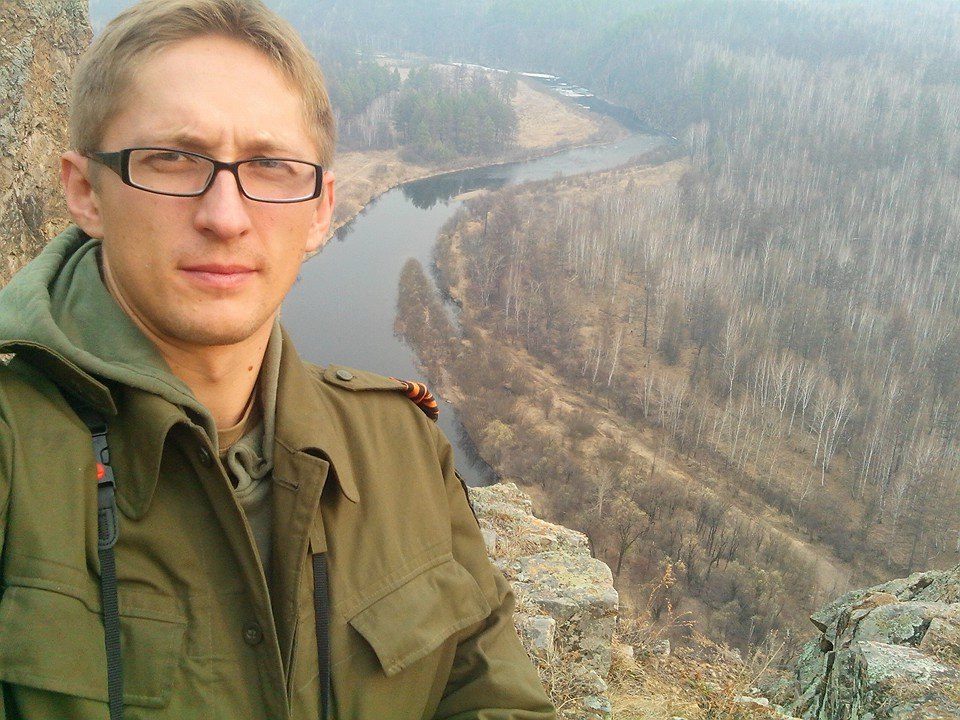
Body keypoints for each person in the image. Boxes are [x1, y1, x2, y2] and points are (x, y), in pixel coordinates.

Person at [0, 1, 556, 718]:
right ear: (86, 192)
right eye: (173, 158)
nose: (225, 217)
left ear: (321, 210)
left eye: (269, 166)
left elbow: (487, 692)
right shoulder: (16, 459)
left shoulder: (402, 449)